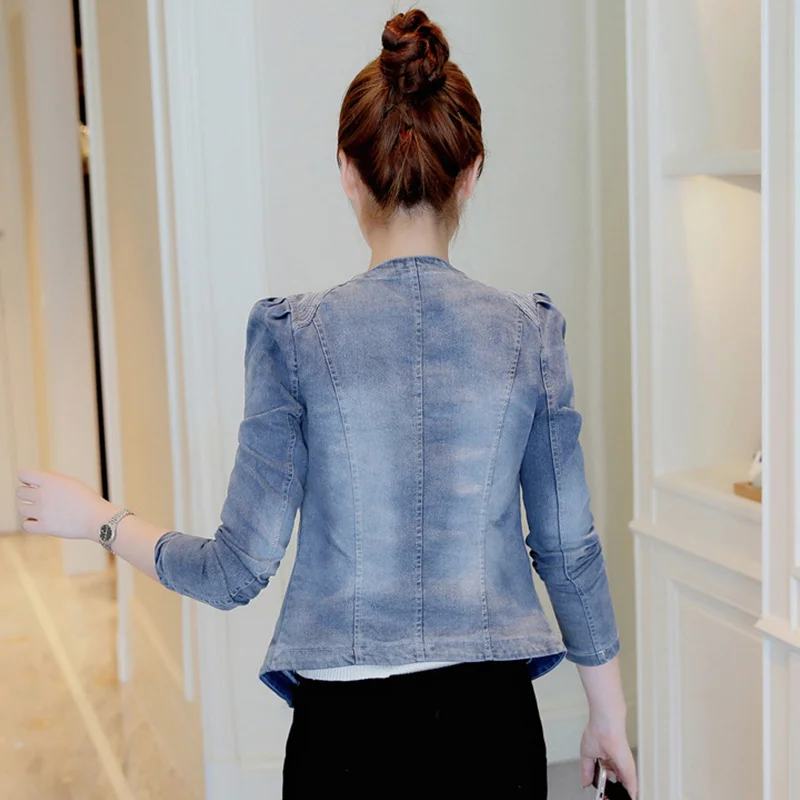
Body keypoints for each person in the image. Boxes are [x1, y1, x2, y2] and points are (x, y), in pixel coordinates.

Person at [14, 9, 638, 800]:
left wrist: (98, 519)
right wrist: (607, 714)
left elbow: (235, 570)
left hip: (345, 738)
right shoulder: (529, 334)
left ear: (347, 169)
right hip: (492, 729)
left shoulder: (295, 337)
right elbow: (568, 548)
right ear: (472, 172)